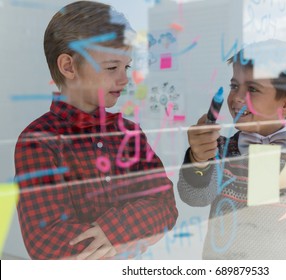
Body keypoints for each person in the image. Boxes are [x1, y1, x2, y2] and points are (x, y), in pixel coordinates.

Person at [14, 1, 178, 260]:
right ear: (68, 67)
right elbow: (45, 243)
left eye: (126, 67)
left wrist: (116, 232)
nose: (125, 79)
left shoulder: (130, 133)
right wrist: (131, 234)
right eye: (112, 67)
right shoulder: (38, 141)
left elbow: (166, 206)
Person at [177, 40, 286, 259]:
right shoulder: (218, 151)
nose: (236, 98)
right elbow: (195, 197)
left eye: (253, 89)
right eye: (234, 86)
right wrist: (198, 158)